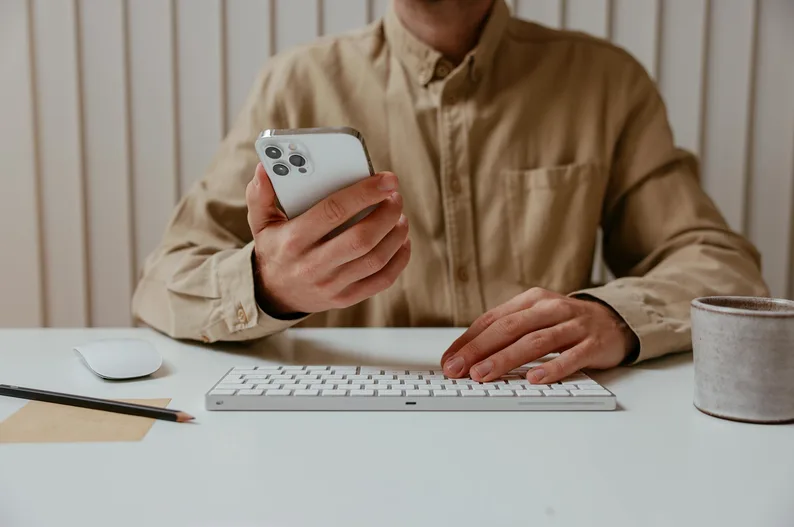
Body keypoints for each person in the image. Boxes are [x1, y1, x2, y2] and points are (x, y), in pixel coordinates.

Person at [132, 0, 768, 385]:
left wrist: (615, 317)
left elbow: (723, 270)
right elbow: (163, 282)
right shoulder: (294, 83)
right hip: (343, 438)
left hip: (549, 428)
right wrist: (267, 285)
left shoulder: (608, 82)